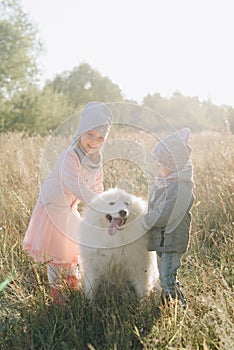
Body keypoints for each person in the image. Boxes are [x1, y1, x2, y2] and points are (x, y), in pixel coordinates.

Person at [23, 102, 112, 305]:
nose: (94, 141)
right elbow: (75, 186)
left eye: (100, 137)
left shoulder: (96, 158)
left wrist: (106, 206)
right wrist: (98, 203)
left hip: (69, 207)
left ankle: (73, 280)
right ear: (81, 131)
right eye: (90, 134)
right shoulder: (70, 155)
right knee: (56, 251)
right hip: (53, 205)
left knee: (73, 244)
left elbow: (98, 185)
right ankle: (56, 293)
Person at [143, 128, 194, 308]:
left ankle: (179, 308)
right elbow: (154, 205)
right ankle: (168, 304)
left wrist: (145, 221)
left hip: (172, 241)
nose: (156, 167)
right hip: (163, 240)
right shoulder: (166, 183)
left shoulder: (179, 187)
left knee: (167, 276)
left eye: (160, 164)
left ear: (173, 165)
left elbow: (165, 214)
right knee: (164, 275)